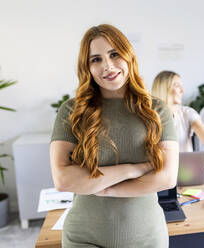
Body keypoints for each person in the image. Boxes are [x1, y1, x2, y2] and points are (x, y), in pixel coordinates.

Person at [50, 24, 178, 247]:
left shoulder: (156, 110)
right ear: (87, 67)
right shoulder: (72, 111)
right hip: (83, 238)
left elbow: (166, 178)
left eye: (114, 54)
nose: (107, 66)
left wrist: (106, 188)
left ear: (128, 56)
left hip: (147, 238)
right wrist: (134, 169)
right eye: (95, 59)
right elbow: (63, 179)